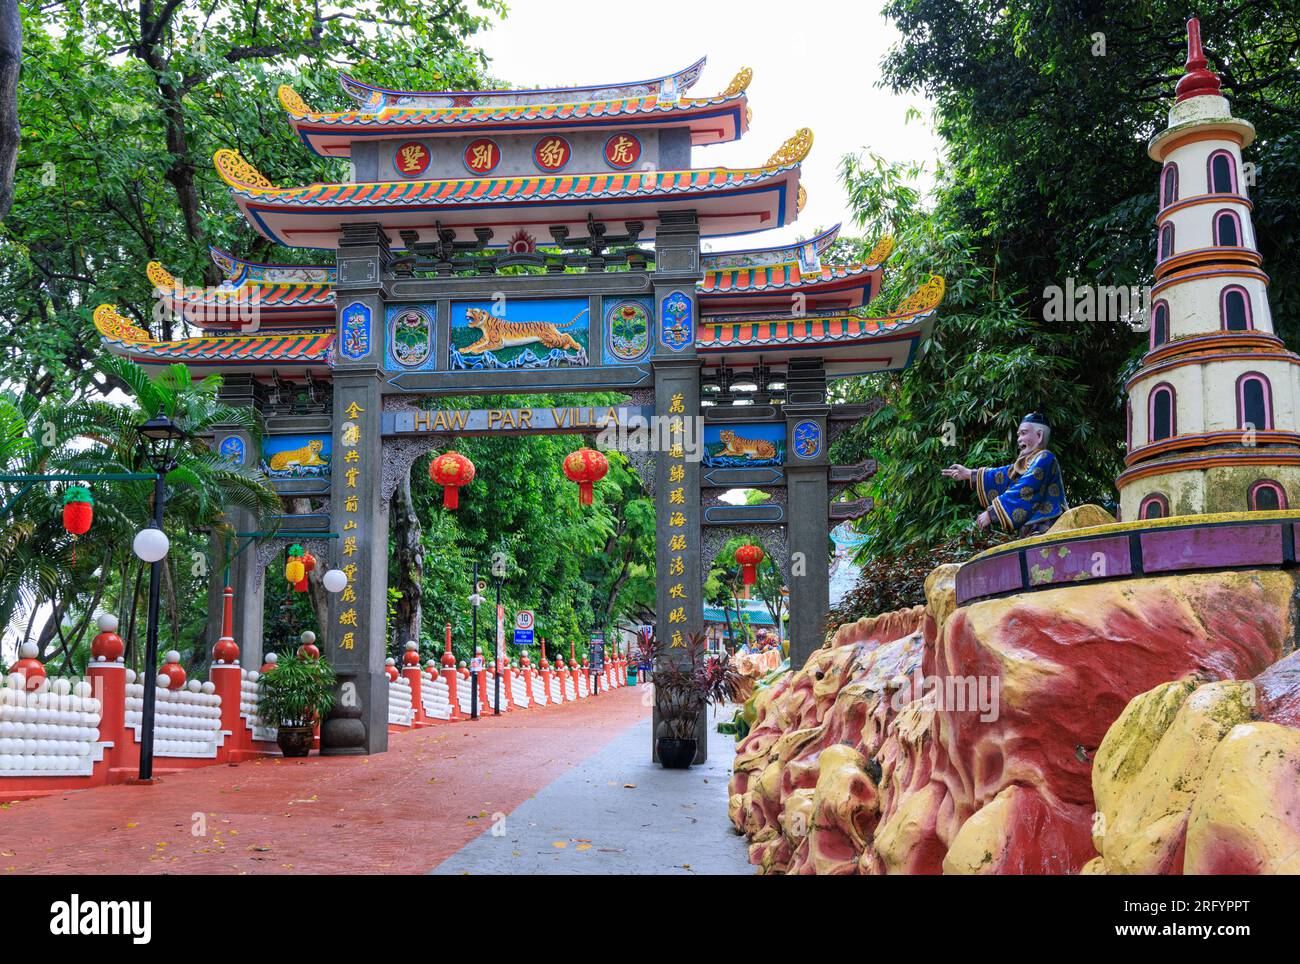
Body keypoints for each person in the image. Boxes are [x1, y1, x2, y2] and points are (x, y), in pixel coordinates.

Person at [941, 412, 1068, 537]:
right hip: (1033, 528)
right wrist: (969, 474)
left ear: (1039, 435)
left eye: (1023, 433)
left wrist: (992, 513)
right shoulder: (1025, 463)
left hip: (1049, 525)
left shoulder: (1045, 457)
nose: (1019, 439)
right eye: (1018, 435)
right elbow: (1003, 476)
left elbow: (1026, 488)